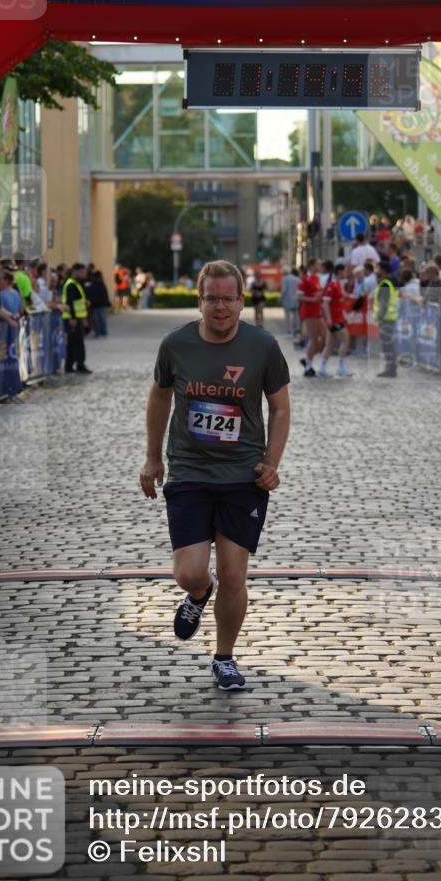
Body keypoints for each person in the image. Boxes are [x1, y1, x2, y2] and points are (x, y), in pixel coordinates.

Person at [139, 260, 290, 691]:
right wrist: (152, 458)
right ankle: (198, 593)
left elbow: (280, 408)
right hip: (189, 471)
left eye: (228, 299)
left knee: (234, 574)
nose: (220, 307)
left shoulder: (262, 346)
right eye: (212, 299)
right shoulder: (176, 345)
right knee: (189, 572)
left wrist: (272, 462)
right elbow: (159, 398)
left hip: (243, 476)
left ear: (241, 302)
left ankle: (224, 658)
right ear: (200, 301)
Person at [319, 264, 352, 378]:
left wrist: (343, 316)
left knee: (329, 345)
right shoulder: (332, 285)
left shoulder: (338, 284)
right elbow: (325, 304)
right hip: (334, 319)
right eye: (345, 271)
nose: (346, 273)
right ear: (339, 272)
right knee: (345, 340)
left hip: (337, 318)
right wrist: (329, 319)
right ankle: (340, 368)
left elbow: (338, 303)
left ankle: (322, 369)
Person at [297, 257, 325, 377]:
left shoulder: (317, 278)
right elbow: (299, 297)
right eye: (318, 264)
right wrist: (312, 299)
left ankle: (307, 358)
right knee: (314, 339)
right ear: (312, 265)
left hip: (317, 311)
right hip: (309, 312)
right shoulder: (304, 279)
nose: (320, 266)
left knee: (325, 338)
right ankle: (308, 366)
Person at [62, 262, 92, 374]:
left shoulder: (76, 283)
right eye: (82, 272)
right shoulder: (71, 284)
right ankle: (78, 365)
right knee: (76, 343)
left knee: (73, 343)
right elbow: (70, 302)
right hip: (73, 318)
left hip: (77, 317)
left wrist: (85, 303)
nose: (84, 274)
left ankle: (70, 365)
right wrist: (72, 318)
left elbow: (77, 301)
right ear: (75, 271)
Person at [373, 259, 399, 378]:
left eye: (378, 268)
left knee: (387, 345)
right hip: (390, 317)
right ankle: (391, 368)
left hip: (386, 319)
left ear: (383, 270)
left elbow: (384, 304)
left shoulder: (385, 284)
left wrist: (379, 317)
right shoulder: (389, 282)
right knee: (389, 344)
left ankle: (390, 369)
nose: (376, 271)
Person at [86, 270, 111, 337]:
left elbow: (88, 294)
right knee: (101, 319)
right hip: (98, 304)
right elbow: (105, 294)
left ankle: (99, 332)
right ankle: (102, 332)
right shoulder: (100, 284)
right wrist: (107, 302)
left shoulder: (92, 284)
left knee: (97, 319)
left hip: (95, 304)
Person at [279, 266, 300, 337]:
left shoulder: (284, 279)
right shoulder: (297, 278)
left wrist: (280, 299)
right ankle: (297, 330)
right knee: (296, 315)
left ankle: (289, 331)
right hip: (296, 299)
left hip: (287, 300)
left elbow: (283, 290)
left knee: (287, 316)